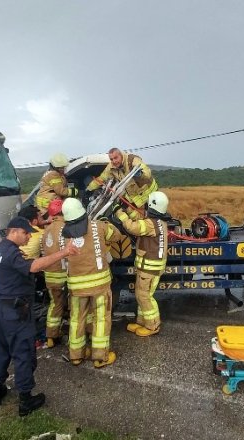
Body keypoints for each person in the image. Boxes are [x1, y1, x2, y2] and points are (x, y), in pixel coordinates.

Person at [0, 216, 78, 416]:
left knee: (1, 350)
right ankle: (26, 400)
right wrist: (64, 252)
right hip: (15, 311)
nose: (28, 237)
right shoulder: (11, 252)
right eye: (26, 233)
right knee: (24, 353)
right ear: (15, 231)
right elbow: (34, 267)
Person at [61, 197, 125, 368]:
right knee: (101, 319)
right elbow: (117, 236)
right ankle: (99, 356)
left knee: (76, 319)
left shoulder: (63, 233)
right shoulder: (98, 226)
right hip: (100, 286)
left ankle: (76, 355)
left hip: (76, 287)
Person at [113, 191, 170, 337]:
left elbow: (133, 227)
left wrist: (120, 213)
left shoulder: (151, 224)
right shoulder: (157, 222)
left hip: (149, 268)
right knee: (141, 295)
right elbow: (139, 221)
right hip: (149, 267)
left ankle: (152, 326)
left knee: (145, 296)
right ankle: (141, 321)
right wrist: (128, 210)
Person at [85, 148, 158, 219]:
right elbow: (101, 178)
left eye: (116, 158)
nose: (114, 161)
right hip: (136, 198)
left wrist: (140, 174)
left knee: (155, 217)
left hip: (150, 195)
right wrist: (89, 188)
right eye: (111, 159)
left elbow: (147, 173)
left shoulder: (132, 160)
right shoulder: (111, 167)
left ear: (121, 155)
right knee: (140, 217)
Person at [41, 199, 69, 347]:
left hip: (49, 275)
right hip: (64, 274)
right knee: (74, 304)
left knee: (55, 304)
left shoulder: (46, 230)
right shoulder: (67, 227)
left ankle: (51, 336)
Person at [35, 153, 77, 217]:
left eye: (63, 167)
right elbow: (61, 191)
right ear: (55, 167)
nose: (63, 169)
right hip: (48, 205)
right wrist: (75, 191)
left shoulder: (52, 173)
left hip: (46, 204)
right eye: (61, 168)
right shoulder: (53, 174)